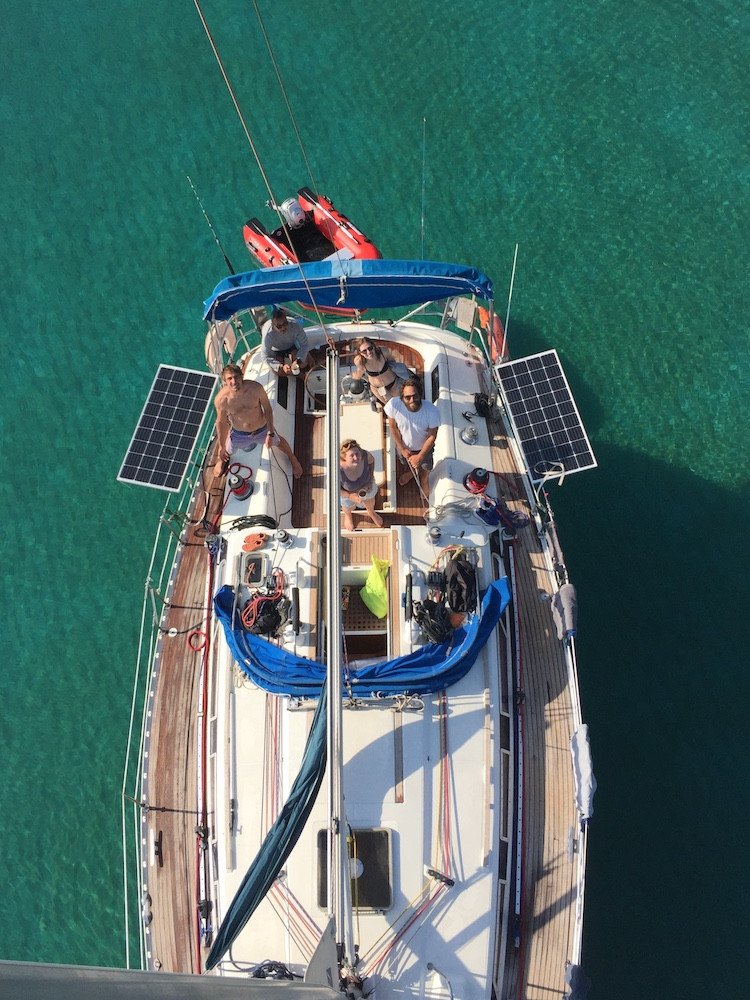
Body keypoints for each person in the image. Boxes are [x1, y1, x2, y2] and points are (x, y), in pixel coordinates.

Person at [214, 363, 302, 478]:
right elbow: (221, 423)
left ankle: (292, 458)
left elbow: (267, 410)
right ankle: (221, 460)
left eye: (236, 377)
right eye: (229, 379)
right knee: (227, 450)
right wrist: (221, 446)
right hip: (239, 434)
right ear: (225, 381)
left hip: (262, 429)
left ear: (242, 376)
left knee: (279, 442)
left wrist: (270, 433)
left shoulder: (256, 389)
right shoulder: (221, 400)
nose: (234, 381)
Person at [384, 378, 440, 493]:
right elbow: (393, 427)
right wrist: (402, 448)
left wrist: (420, 456)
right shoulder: (393, 405)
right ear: (401, 398)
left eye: (415, 396)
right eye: (407, 397)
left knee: (426, 467)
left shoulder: (432, 411)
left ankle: (424, 479)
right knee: (406, 462)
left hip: (424, 449)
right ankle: (412, 473)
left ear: (420, 395)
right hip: (403, 448)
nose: (412, 400)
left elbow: (432, 436)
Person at [339, 439, 383, 530]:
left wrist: (370, 479)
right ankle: (348, 516)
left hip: (366, 486)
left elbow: (372, 461)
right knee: (346, 505)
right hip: (347, 492)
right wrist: (349, 496)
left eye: (357, 454)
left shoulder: (365, 455)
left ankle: (371, 512)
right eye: (351, 455)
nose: (356, 458)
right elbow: (333, 489)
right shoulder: (337, 468)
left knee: (370, 500)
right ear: (344, 457)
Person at [351, 337, 406, 407]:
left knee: (403, 405)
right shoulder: (359, 361)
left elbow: (393, 363)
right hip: (379, 389)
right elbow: (360, 372)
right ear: (360, 353)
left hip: (394, 384)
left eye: (370, 348)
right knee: (392, 408)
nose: (368, 352)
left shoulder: (383, 352)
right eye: (364, 351)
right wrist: (356, 376)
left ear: (374, 346)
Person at [262, 308, 310, 375]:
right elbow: (265, 357)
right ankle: (296, 375)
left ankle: (299, 375)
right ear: (273, 325)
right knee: (280, 371)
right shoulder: (268, 334)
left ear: (287, 320)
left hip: (291, 346)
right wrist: (280, 366)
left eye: (285, 324)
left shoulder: (295, 325)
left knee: (303, 363)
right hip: (275, 351)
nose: (283, 328)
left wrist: (297, 361)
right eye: (279, 326)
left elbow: (305, 345)